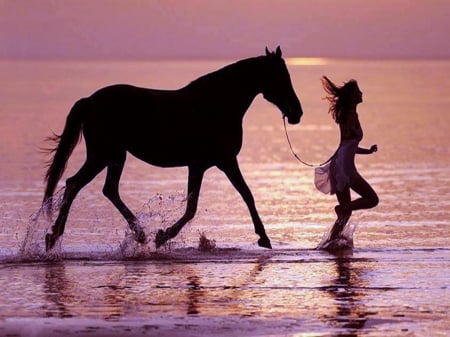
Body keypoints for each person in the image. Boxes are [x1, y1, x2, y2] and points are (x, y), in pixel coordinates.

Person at [319, 76, 379, 240]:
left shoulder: (348, 113)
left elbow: (348, 145)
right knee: (372, 199)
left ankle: (332, 242)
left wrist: (367, 151)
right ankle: (343, 208)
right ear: (352, 97)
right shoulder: (351, 115)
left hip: (340, 161)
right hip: (344, 165)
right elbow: (348, 144)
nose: (361, 93)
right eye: (358, 92)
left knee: (345, 214)